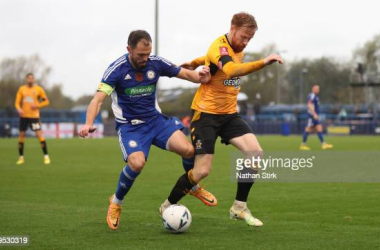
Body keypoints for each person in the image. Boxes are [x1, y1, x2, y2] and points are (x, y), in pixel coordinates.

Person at [78, 30, 217, 231]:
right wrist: (88, 122)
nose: (145, 58)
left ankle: (192, 186)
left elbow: (183, 72)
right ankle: (116, 202)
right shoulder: (116, 70)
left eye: (148, 53)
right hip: (131, 127)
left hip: (155, 121)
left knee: (188, 150)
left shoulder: (155, 62)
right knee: (137, 163)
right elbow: (97, 99)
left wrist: (199, 78)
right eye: (140, 55)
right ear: (129, 49)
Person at [159, 12, 283, 227]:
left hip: (229, 115)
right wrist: (264, 62)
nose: (245, 42)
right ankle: (167, 205)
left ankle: (239, 207)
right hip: (205, 115)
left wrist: (192, 63)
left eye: (250, 39)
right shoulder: (220, 47)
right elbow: (231, 68)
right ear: (232, 27)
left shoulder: (237, 49)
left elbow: (207, 59)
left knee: (255, 153)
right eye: (243, 37)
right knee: (202, 171)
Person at [15, 73, 51, 165]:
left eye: (32, 78)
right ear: (26, 79)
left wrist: (37, 105)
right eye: (28, 78)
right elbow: (17, 102)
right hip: (24, 116)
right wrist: (19, 109)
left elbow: (46, 101)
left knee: (39, 135)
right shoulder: (22, 89)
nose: (30, 80)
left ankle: (46, 156)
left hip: (34, 117)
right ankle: (21, 158)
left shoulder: (38, 89)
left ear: (33, 79)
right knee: (22, 135)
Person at [299, 85, 333, 150]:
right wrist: (314, 114)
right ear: (313, 89)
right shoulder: (312, 95)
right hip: (311, 116)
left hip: (315, 116)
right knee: (308, 129)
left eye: (318, 89)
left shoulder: (315, 96)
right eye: (317, 89)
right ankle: (303, 145)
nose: (318, 90)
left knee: (319, 128)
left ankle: (323, 144)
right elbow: (309, 105)